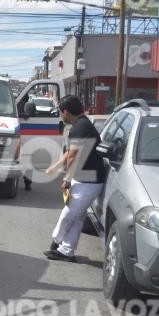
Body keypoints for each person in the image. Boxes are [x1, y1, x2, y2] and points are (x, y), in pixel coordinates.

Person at [44, 95, 106, 262]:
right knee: (77, 217)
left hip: (89, 180)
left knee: (68, 214)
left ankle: (56, 243)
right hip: (86, 178)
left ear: (65, 111)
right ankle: (66, 250)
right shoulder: (82, 124)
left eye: (60, 112)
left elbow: (73, 157)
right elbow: (70, 153)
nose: (60, 115)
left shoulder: (80, 127)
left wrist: (67, 179)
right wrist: (55, 166)